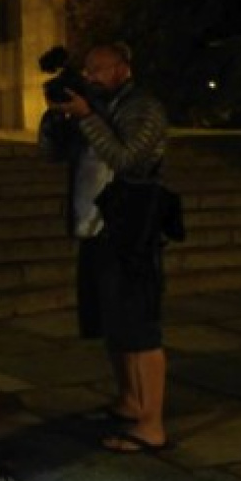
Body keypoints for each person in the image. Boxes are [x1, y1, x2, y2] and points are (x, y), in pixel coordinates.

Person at [38, 41, 171, 453]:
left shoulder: (143, 108)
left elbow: (130, 159)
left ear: (122, 70)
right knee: (113, 324)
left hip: (131, 232)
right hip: (94, 229)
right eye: (87, 69)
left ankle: (152, 425)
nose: (90, 76)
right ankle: (130, 402)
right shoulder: (92, 105)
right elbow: (50, 155)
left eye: (98, 69)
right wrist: (56, 120)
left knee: (139, 327)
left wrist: (87, 117)